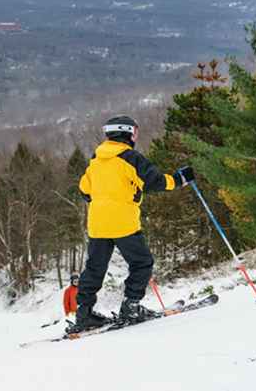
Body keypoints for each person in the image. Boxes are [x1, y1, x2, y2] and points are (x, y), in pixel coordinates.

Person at [68, 115, 194, 334]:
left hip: (97, 223)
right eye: (135, 131)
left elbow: (84, 190)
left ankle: (84, 314)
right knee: (142, 263)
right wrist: (180, 179)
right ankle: (131, 307)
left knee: (95, 268)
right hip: (123, 223)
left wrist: (103, 201)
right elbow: (155, 182)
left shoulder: (96, 158)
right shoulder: (130, 157)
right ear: (128, 133)